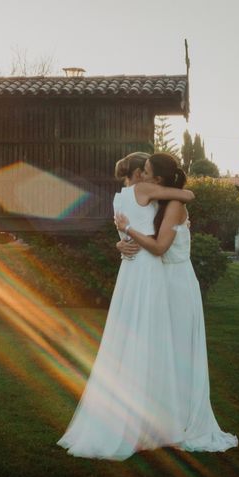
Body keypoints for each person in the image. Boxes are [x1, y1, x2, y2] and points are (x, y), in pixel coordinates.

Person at [57, 152, 195, 460]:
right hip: (149, 273)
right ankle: (152, 421)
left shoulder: (118, 199)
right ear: (138, 173)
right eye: (144, 169)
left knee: (126, 341)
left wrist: (122, 242)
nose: (147, 175)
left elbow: (128, 231)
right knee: (152, 344)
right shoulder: (145, 191)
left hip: (129, 272)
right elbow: (185, 194)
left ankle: (129, 415)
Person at [114, 152, 238, 452]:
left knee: (180, 351)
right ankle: (155, 419)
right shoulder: (157, 202)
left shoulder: (174, 205)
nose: (141, 175)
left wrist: (128, 231)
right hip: (159, 283)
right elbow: (146, 235)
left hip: (177, 284)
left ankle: (181, 420)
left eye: (145, 170)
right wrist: (121, 243)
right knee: (160, 353)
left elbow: (158, 247)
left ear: (157, 179)